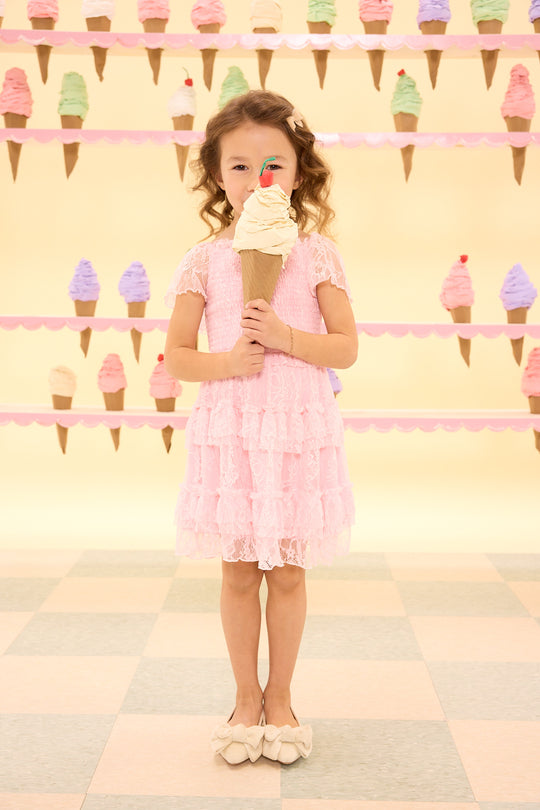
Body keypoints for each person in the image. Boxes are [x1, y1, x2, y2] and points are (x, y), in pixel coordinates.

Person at [164, 90, 357, 765]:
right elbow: (179, 356)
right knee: (240, 570)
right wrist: (228, 359)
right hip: (234, 430)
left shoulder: (318, 254)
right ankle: (245, 696)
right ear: (218, 176)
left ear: (299, 172)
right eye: (240, 167)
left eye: (273, 165)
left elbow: (346, 348)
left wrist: (285, 336)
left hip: (297, 430)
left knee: (292, 574)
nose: (257, 180)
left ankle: (282, 697)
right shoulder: (204, 259)